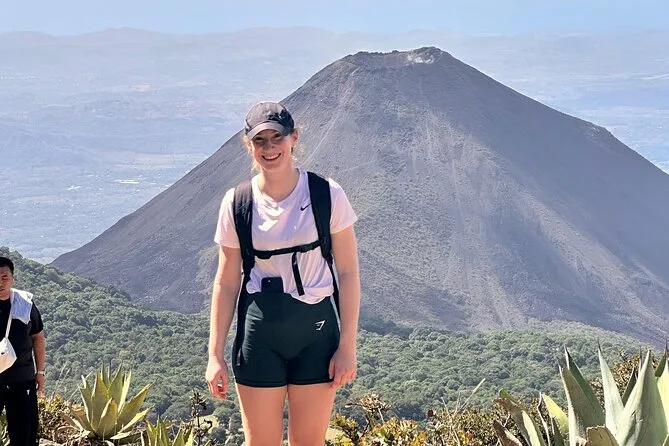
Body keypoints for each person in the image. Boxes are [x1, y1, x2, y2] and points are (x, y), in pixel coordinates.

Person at [206, 102, 361, 445]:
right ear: (249, 146)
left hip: (317, 337)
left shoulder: (327, 195)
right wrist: (214, 355)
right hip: (259, 338)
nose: (269, 148)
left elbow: (348, 272)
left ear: (294, 138)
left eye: (277, 137)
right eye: (260, 141)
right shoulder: (237, 203)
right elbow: (226, 282)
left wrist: (347, 347)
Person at [0, 256, 46, 446]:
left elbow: (38, 337)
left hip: (21, 378)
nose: (0, 283)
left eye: (4, 278)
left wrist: (40, 372)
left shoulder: (25, 304)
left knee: (24, 435)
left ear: (13, 278)